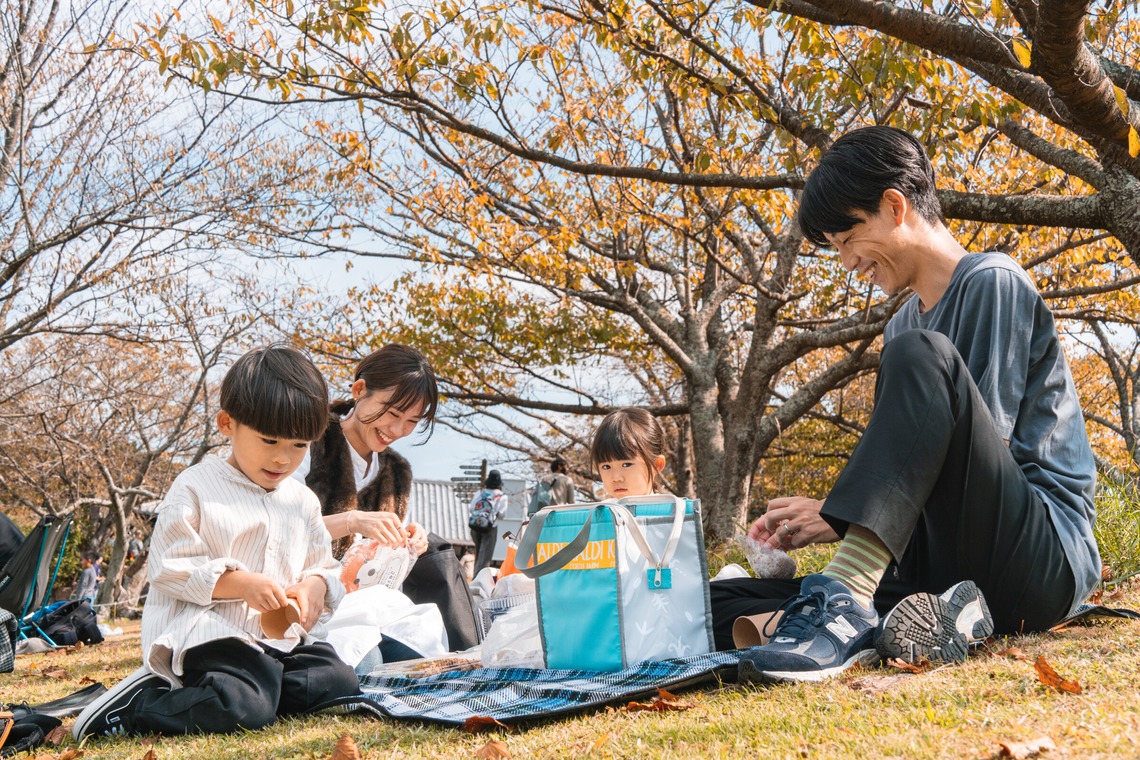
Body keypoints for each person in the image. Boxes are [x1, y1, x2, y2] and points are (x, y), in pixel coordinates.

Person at [719, 126, 1100, 684]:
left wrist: (837, 515)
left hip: (1039, 563)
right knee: (723, 602)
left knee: (921, 353)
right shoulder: (901, 325)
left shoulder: (991, 282)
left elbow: (972, 466)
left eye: (848, 239)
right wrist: (833, 520)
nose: (847, 262)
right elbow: (913, 475)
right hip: (950, 571)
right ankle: (840, 619)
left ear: (894, 207)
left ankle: (848, 600)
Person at [73, 347, 359, 739]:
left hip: (275, 640)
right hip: (209, 634)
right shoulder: (195, 487)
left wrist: (316, 584)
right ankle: (139, 706)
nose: (283, 458)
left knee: (337, 681)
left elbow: (322, 563)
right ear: (228, 424)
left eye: (298, 445)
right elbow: (169, 567)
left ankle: (257, 691)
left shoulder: (302, 501)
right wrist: (240, 583)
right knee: (243, 705)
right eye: (269, 440)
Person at [294, 343, 480, 651]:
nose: (397, 429)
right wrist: (352, 520)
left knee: (433, 557)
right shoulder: (308, 440)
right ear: (359, 390)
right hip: (307, 598)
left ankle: (465, 655)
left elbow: (389, 554)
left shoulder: (397, 470)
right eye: (392, 412)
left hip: (370, 607)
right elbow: (281, 526)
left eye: (412, 421)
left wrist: (410, 540)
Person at [591, 408, 666, 498]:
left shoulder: (675, 506)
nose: (616, 478)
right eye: (606, 467)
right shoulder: (602, 507)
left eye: (626, 465)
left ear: (657, 465)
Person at [468, 470, 508, 575]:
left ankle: (475, 577)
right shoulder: (502, 496)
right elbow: (502, 514)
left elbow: (471, 508)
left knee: (478, 553)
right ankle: (478, 580)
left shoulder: (480, 493)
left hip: (475, 526)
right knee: (485, 557)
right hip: (490, 528)